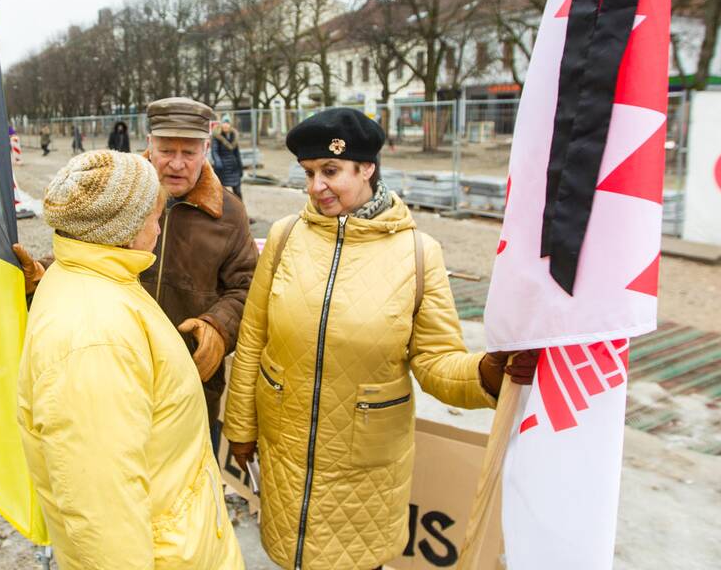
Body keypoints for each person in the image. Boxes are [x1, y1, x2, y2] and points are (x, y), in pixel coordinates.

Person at [222, 107, 538, 570]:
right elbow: (253, 339)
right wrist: (241, 427)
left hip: (362, 476)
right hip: (284, 455)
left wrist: (486, 373)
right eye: (309, 173)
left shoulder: (417, 254)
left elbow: (435, 363)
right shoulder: (286, 238)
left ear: (367, 167)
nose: (316, 187)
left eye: (330, 171)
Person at [16, 150, 244, 569]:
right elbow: (103, 519)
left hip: (178, 539)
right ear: (127, 229)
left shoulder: (102, 279)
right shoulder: (93, 341)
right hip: (168, 553)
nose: (160, 226)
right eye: (156, 216)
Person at [139, 97, 258, 451]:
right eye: (166, 150)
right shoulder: (121, 196)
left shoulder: (229, 213)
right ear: (149, 145)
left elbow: (247, 287)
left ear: (206, 148)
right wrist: (44, 273)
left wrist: (218, 327)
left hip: (191, 382)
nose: (176, 163)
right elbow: (85, 256)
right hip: (120, 374)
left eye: (189, 152)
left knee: (188, 491)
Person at [210, 114, 244, 199]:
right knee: (219, 191)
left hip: (233, 167)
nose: (226, 125)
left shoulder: (234, 135)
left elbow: (237, 153)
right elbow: (214, 151)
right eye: (224, 123)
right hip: (222, 168)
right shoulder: (216, 135)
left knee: (238, 191)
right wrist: (218, 161)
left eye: (227, 123)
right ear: (221, 124)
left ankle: (240, 209)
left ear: (230, 125)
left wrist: (240, 167)